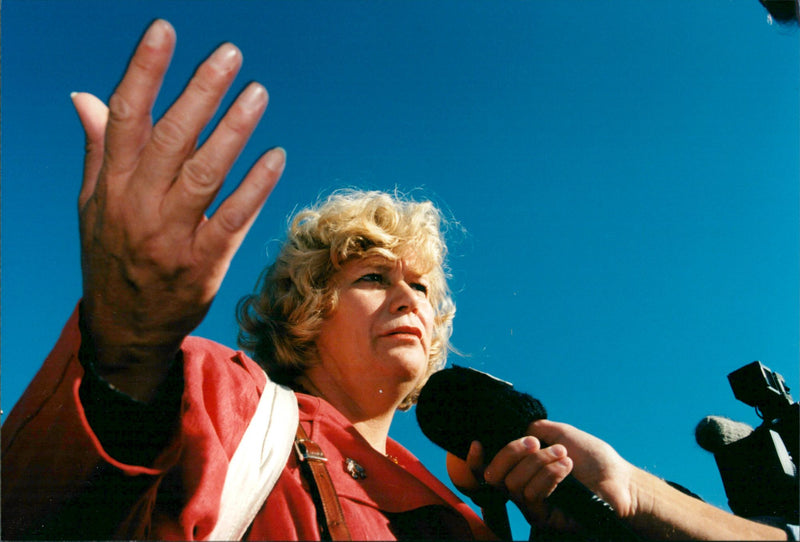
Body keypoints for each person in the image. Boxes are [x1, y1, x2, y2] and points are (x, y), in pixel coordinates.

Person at [1, 19, 793, 541]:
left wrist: (630, 501)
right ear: (304, 311)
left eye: (421, 283)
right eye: (375, 276)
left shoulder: (473, 518)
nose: (410, 295)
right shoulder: (215, 396)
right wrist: (126, 346)